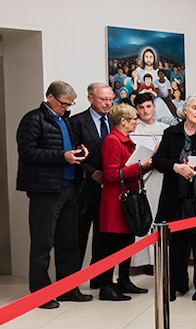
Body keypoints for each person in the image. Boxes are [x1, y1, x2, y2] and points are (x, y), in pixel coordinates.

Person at [15, 80, 92, 308]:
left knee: (69, 242)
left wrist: (79, 150)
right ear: (49, 97)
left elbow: (68, 145)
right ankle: (40, 293)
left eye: (70, 104)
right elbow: (27, 152)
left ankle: (68, 289)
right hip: (45, 190)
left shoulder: (65, 120)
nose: (67, 108)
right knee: (42, 244)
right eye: (63, 104)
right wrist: (62, 156)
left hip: (69, 187)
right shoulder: (33, 119)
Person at [152, 95, 196, 301]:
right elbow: (159, 161)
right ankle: (177, 284)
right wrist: (177, 167)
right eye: (195, 108)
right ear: (185, 110)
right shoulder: (171, 133)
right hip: (174, 197)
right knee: (176, 244)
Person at [92, 103, 153, 301]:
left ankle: (124, 280)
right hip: (116, 200)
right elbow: (111, 174)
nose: (137, 121)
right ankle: (107, 285)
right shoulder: (112, 141)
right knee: (113, 244)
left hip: (127, 195)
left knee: (127, 241)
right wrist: (139, 167)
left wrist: (146, 165)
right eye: (134, 118)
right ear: (123, 121)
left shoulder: (126, 140)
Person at [70, 82, 115, 285]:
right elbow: (72, 154)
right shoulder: (77, 122)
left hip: (110, 189)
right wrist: (92, 173)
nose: (108, 103)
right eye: (103, 99)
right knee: (78, 236)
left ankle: (99, 279)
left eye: (110, 99)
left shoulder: (114, 121)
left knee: (104, 236)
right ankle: (72, 283)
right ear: (90, 99)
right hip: (85, 189)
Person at [129, 92, 169, 273]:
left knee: (160, 217)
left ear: (154, 107)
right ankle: (142, 261)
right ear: (137, 110)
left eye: (148, 106)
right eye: (141, 107)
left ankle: (159, 259)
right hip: (143, 179)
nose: (145, 110)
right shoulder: (134, 129)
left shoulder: (165, 128)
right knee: (144, 217)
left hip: (161, 177)